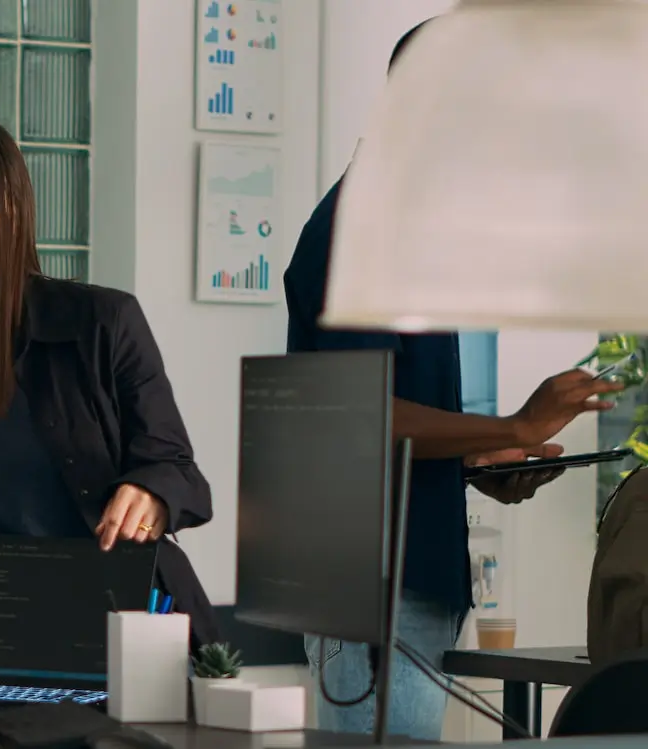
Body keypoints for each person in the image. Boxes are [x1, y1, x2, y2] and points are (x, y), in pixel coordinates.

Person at [284, 19, 624, 742]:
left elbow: (387, 423)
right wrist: (515, 428)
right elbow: (352, 416)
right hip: (369, 583)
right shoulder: (358, 230)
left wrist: (478, 460)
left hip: (400, 575)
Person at [0, 114, 219, 684]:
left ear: (15, 215)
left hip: (123, 646)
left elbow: (182, 475)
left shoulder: (102, 324)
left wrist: (151, 494)